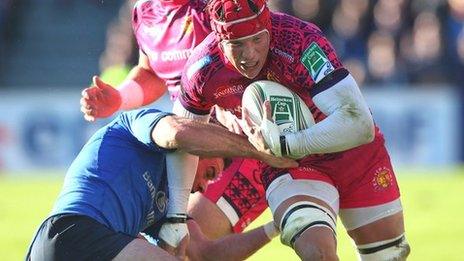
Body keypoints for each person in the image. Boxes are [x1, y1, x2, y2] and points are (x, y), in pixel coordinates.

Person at [174, 0, 411, 260]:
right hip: (289, 164)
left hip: (351, 153)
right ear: (219, 42)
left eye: (256, 40)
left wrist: (289, 143)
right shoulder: (202, 69)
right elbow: (183, 140)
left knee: (389, 256)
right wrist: (172, 217)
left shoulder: (300, 41)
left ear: (269, 28)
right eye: (236, 45)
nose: (249, 54)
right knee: (317, 253)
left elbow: (359, 124)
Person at [80, 0, 280, 241]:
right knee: (174, 244)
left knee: (188, 244)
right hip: (194, 142)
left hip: (244, 140)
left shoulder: (215, 7)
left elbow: (263, 46)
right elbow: (152, 73)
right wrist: (120, 98)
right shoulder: (144, 11)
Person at [26, 108, 295, 260]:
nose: (204, 186)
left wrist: (275, 227)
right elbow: (179, 133)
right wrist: (257, 150)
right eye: (210, 172)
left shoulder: (171, 201)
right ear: (204, 143)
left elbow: (205, 254)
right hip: (72, 233)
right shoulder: (137, 125)